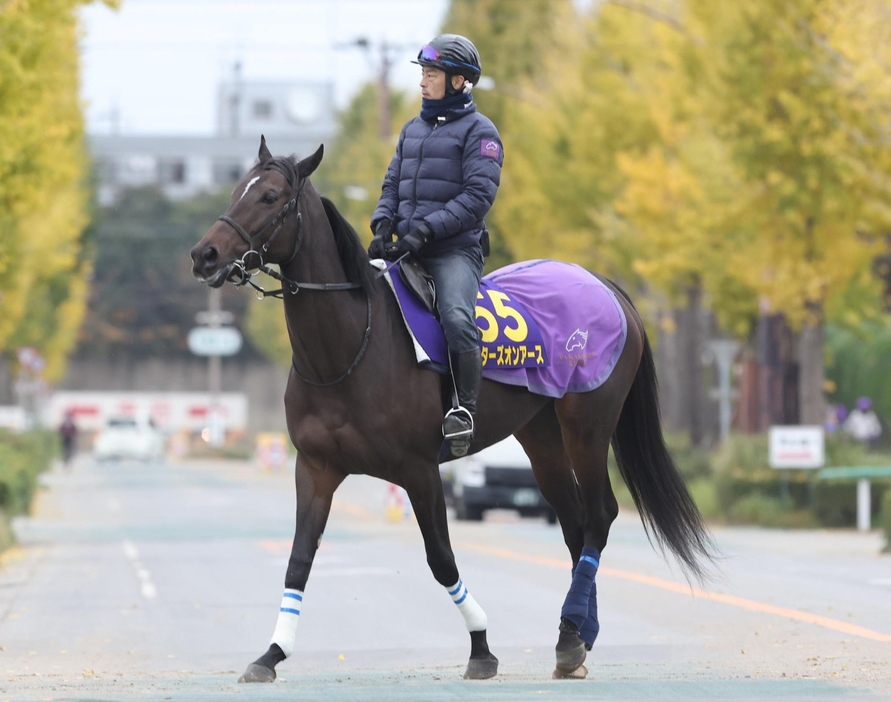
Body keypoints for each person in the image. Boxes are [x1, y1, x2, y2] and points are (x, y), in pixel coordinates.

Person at [369, 34, 503, 457]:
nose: (423, 83)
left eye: (432, 75)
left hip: (453, 251)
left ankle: (464, 411)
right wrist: (382, 220)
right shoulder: (412, 129)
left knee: (458, 318)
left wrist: (426, 230)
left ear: (459, 81)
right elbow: (392, 182)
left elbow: (477, 197)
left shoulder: (482, 133)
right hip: (407, 245)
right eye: (423, 74)